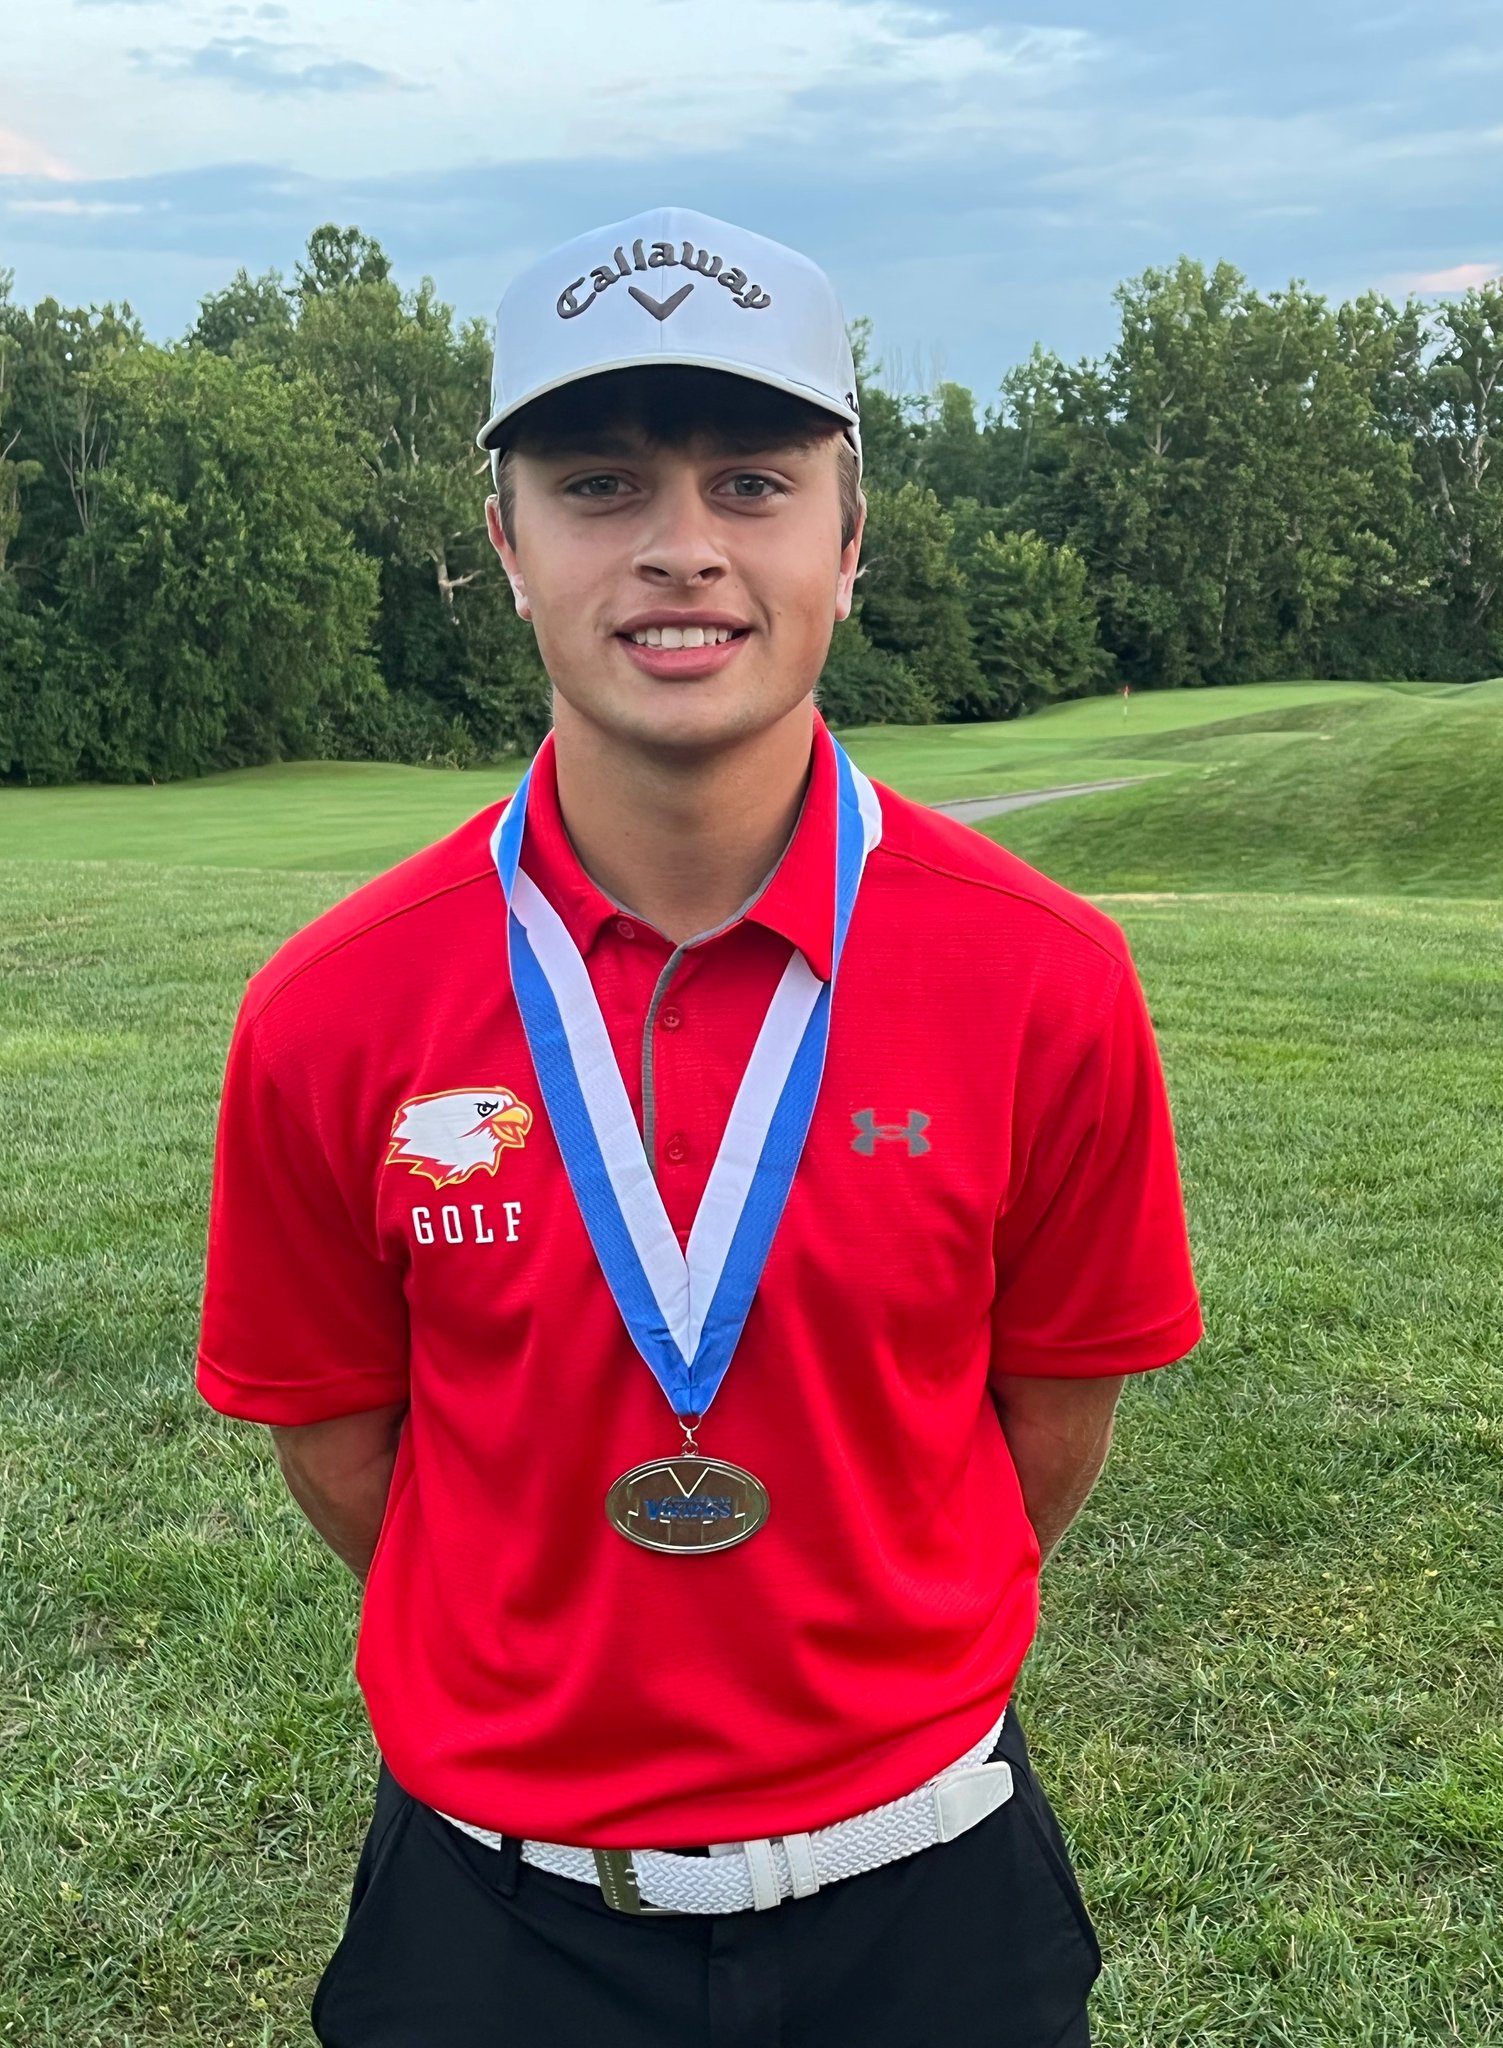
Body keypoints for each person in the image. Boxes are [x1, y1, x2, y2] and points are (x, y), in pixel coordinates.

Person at [195, 205, 1204, 2048]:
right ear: (504, 546)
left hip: (930, 1901)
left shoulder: (1044, 976)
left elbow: (1049, 1423)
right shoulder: (334, 1009)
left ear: (850, 536)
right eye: (597, 484)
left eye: (750, 480)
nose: (679, 550)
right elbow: (351, 1453)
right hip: (496, 1923)